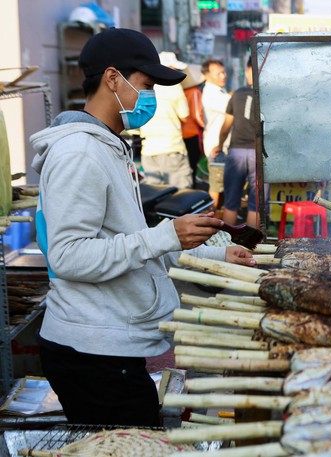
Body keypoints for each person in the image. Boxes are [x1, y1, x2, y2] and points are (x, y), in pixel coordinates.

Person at [29, 28, 255, 427]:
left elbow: (129, 244)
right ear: (113, 79)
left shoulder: (108, 145)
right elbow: (67, 256)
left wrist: (216, 256)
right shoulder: (79, 152)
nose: (151, 96)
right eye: (147, 85)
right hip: (92, 351)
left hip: (114, 346)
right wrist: (166, 234)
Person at [216, 58, 262, 228]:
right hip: (259, 155)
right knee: (256, 205)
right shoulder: (268, 95)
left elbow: (226, 125)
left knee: (231, 202)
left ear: (249, 70)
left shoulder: (237, 94)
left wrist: (219, 145)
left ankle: (227, 246)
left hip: (236, 152)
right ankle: (252, 248)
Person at [139, 51, 193, 189]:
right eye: (174, 68)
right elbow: (184, 116)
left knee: (154, 195)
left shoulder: (144, 87)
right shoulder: (174, 86)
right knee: (180, 196)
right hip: (172, 148)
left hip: (149, 150)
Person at [201, 59, 230, 206]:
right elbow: (232, 105)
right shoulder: (211, 93)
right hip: (217, 148)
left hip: (221, 146)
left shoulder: (219, 90)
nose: (223, 76)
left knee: (221, 187)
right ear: (207, 75)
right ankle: (212, 221)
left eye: (224, 72)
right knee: (216, 188)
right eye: (218, 73)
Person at [181, 64, 206, 188]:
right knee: (193, 163)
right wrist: (206, 127)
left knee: (188, 164)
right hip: (192, 133)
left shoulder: (183, 91)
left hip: (183, 132)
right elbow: (197, 114)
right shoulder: (195, 91)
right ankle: (193, 188)